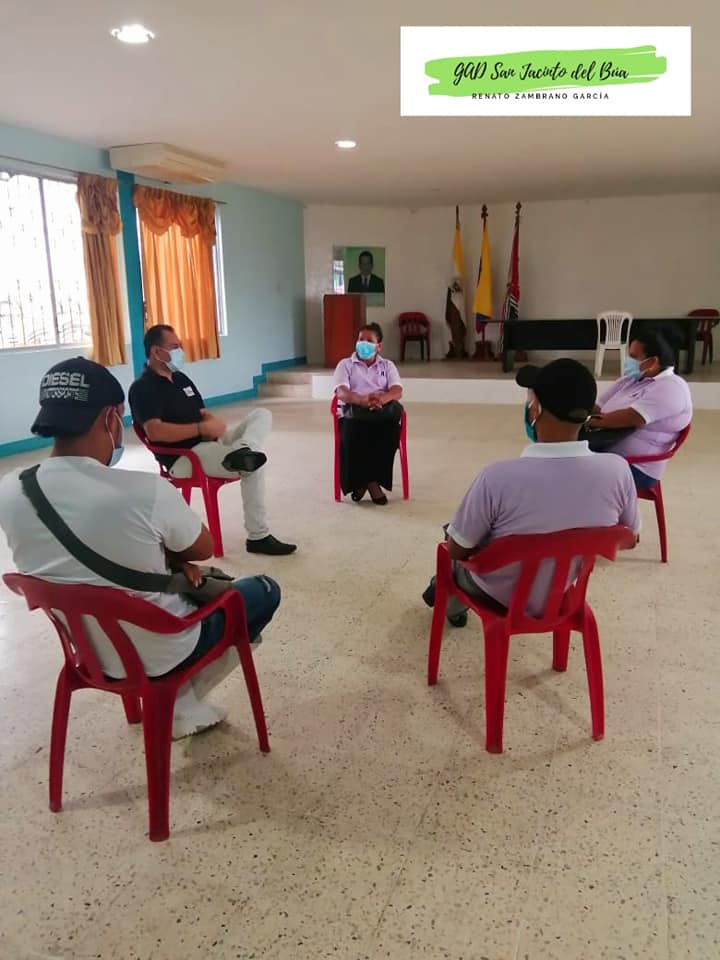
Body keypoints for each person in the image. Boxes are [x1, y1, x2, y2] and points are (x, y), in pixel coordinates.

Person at [0, 357, 281, 739]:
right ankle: (180, 700)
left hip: (89, 653)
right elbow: (203, 547)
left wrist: (161, 555)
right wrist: (172, 554)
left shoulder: (10, 490)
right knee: (263, 591)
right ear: (110, 418)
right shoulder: (143, 491)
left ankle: (179, 701)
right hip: (165, 649)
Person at [423, 358, 639, 626]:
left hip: (496, 595)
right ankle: (441, 592)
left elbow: (457, 550)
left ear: (535, 410)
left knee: (454, 544)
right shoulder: (617, 471)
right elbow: (629, 538)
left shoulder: (497, 478)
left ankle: (446, 600)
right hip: (560, 593)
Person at [129, 324, 295, 555]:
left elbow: (202, 411)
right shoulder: (143, 388)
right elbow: (155, 432)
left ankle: (243, 449)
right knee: (253, 466)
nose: (180, 351)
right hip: (184, 457)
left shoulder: (180, 378)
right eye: (175, 347)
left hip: (209, 441)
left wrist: (212, 423)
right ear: (156, 352)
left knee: (261, 415)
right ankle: (258, 536)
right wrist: (200, 428)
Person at [585, 326, 693, 487]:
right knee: (561, 459)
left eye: (633, 357)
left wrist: (586, 420)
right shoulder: (630, 380)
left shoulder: (671, 387)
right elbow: (598, 407)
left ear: (653, 362)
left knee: (570, 470)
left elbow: (630, 418)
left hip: (637, 467)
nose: (628, 361)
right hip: (607, 453)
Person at [332, 322, 403, 505]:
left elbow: (397, 390)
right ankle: (371, 483)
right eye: (360, 339)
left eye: (369, 341)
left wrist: (382, 399)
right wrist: (362, 400)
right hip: (353, 412)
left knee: (390, 434)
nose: (363, 344)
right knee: (355, 433)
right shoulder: (345, 365)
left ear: (379, 346)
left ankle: (365, 482)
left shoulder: (387, 365)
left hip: (380, 412)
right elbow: (342, 392)